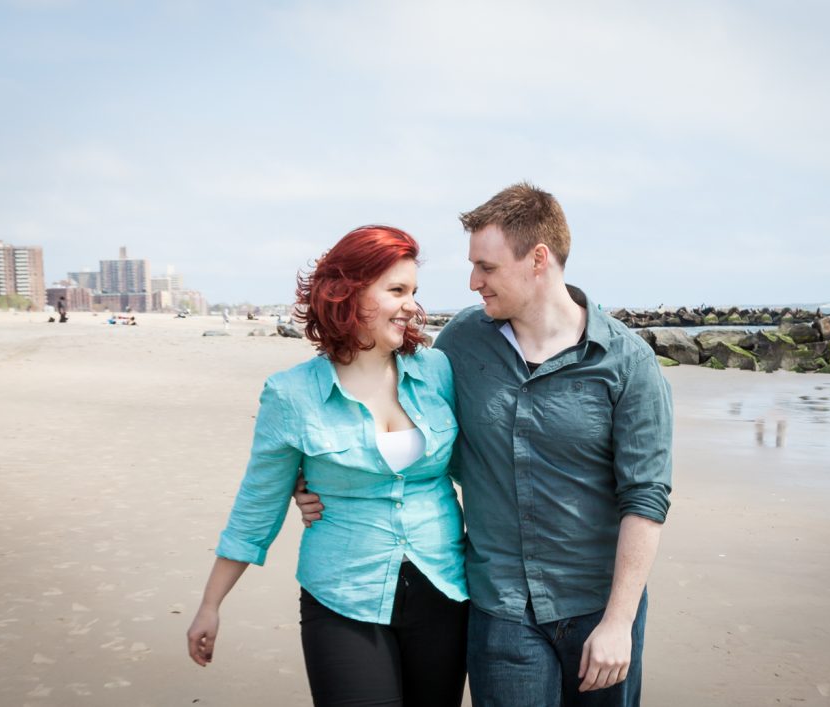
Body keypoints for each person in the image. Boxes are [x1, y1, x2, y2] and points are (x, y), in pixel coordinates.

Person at [297, 184, 673, 706]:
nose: (473, 282)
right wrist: (313, 477)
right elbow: (397, 426)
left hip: (598, 610)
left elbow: (646, 498)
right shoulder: (461, 343)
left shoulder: (627, 362)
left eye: (487, 268)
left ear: (537, 259)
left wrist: (619, 622)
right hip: (500, 613)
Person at [186, 225, 469, 707]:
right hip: (343, 593)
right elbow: (258, 504)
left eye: (413, 292)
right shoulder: (292, 395)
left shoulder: (437, 371)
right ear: (348, 293)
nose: (411, 305)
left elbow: (481, 467)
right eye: (396, 290)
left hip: (444, 587)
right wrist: (210, 605)